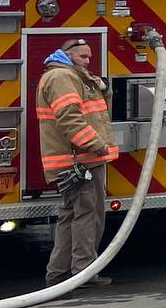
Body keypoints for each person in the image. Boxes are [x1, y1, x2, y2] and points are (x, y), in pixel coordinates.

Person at [37, 38, 117, 289]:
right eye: (83, 57)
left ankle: (59, 275)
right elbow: (69, 117)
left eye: (90, 57)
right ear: (67, 55)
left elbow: (95, 109)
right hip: (79, 161)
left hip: (78, 160)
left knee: (72, 217)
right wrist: (95, 143)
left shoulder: (73, 77)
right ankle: (82, 273)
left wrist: (100, 86)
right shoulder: (61, 78)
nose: (88, 61)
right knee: (87, 216)